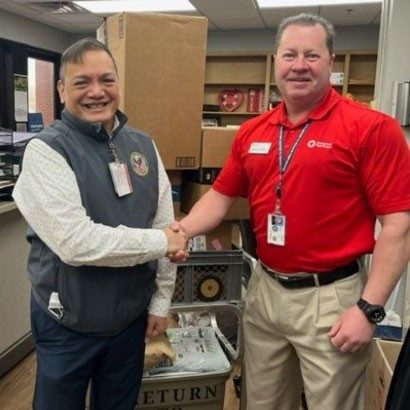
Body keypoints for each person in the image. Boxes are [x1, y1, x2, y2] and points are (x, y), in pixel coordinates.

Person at [170, 13, 410, 410]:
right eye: (290, 54)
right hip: (265, 289)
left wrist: (369, 310)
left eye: (312, 55)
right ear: (276, 61)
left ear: (331, 62)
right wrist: (179, 230)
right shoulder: (253, 131)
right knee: (261, 402)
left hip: (331, 296)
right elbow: (220, 196)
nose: (300, 65)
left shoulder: (371, 129)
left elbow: (399, 226)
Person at [12, 38, 187, 410]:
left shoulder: (142, 145)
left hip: (129, 321)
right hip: (67, 325)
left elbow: (165, 224)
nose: (97, 92)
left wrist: (159, 302)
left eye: (107, 80)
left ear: (119, 84)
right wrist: (160, 243)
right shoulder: (46, 151)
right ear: (61, 90)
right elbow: (77, 243)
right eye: (81, 82)